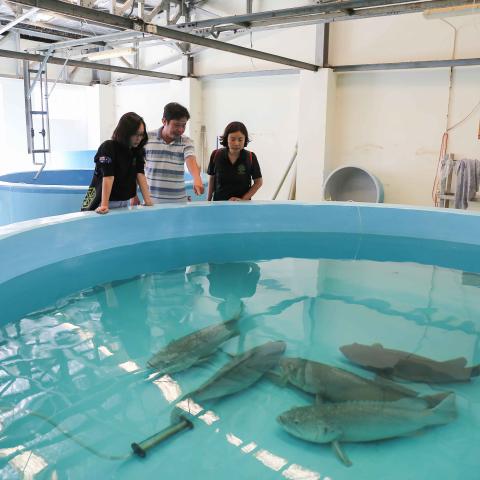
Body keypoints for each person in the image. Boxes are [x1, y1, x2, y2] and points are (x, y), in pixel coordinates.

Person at [81, 112, 153, 214]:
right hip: (97, 199)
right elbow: (108, 176)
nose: (138, 138)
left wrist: (148, 200)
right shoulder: (108, 147)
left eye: (141, 134)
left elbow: (140, 173)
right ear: (125, 133)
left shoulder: (137, 150)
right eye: (135, 134)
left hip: (122, 200)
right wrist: (104, 205)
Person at [144, 102, 204, 203]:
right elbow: (136, 167)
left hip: (178, 203)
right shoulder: (147, 139)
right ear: (164, 121)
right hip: (151, 202)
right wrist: (134, 194)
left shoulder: (186, 141)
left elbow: (191, 159)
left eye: (183, 125)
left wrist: (197, 178)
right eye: (176, 125)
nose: (180, 130)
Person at [207, 121, 262, 201]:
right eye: (232, 139)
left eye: (240, 140)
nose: (236, 143)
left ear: (245, 139)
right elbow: (212, 178)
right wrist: (208, 201)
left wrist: (243, 199)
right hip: (219, 204)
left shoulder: (250, 157)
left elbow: (258, 182)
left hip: (242, 206)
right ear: (226, 138)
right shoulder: (216, 154)